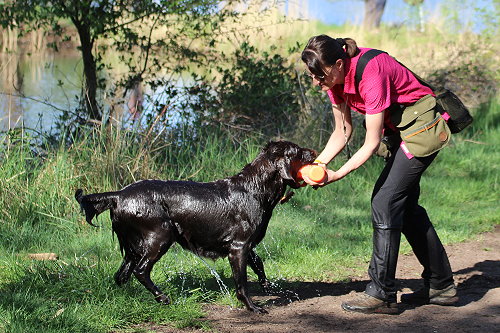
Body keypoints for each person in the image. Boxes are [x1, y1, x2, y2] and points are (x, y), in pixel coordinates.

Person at [300, 35, 457, 314]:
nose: (316, 82)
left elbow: (371, 143)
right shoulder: (334, 79)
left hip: (422, 127)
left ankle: (381, 293)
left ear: (338, 63)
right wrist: (319, 164)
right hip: (399, 130)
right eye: (312, 76)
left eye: (320, 75)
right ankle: (441, 286)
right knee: (404, 206)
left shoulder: (371, 71)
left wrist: (339, 174)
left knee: (385, 201)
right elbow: (343, 131)